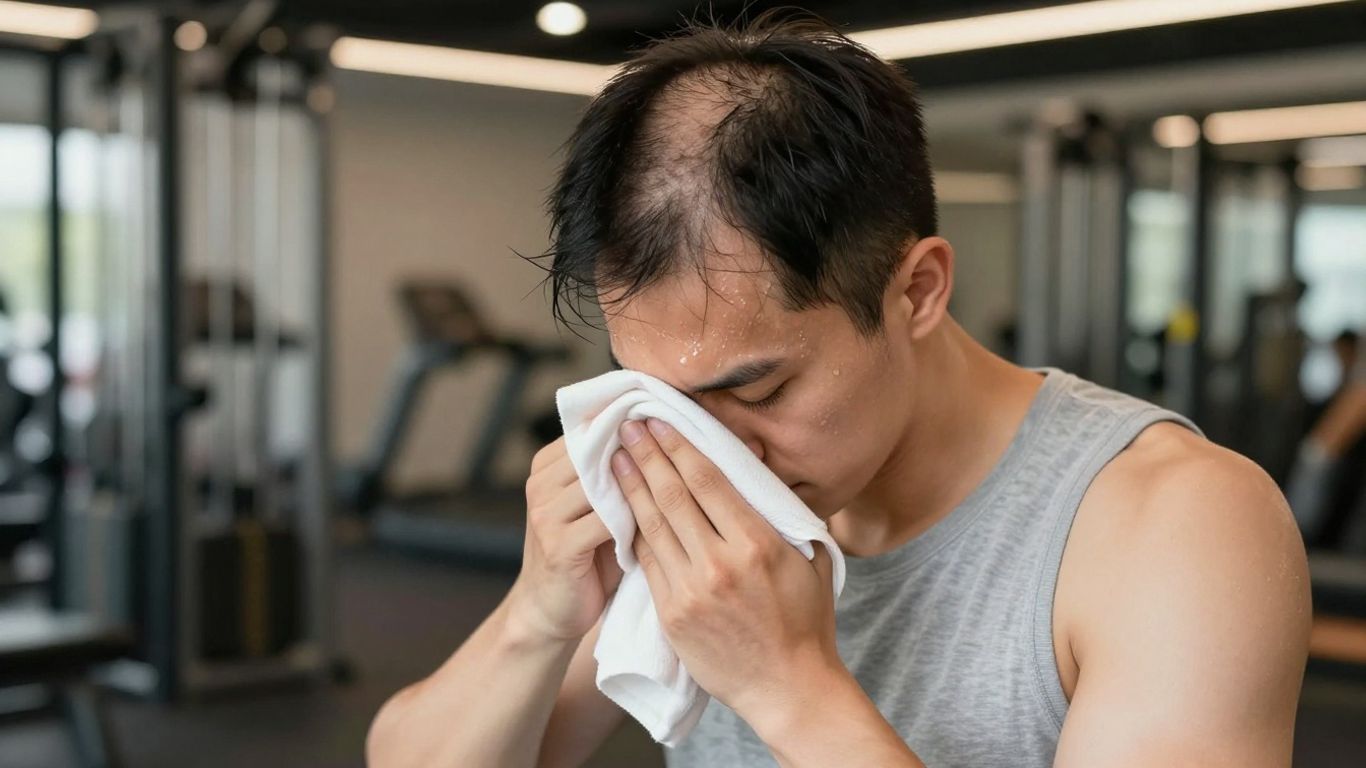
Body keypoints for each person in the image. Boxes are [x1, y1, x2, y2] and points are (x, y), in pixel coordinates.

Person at [366, 12, 1310, 768]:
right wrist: (539, 613)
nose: (711, 451)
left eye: (761, 389)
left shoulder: (1177, 522)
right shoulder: (677, 486)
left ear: (918, 291)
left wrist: (789, 686)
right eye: (660, 396)